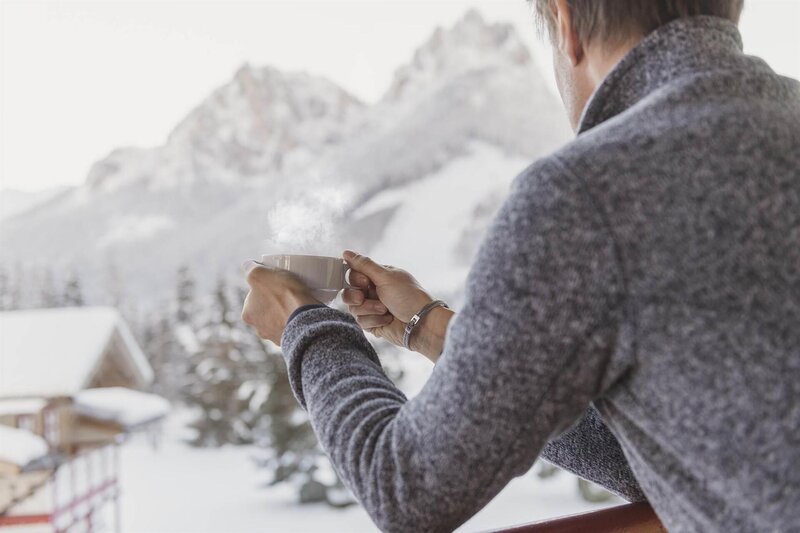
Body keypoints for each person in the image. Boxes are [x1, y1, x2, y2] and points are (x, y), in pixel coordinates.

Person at [241, 0, 800, 530]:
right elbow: (682, 459)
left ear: (567, 23)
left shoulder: (586, 194)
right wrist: (430, 328)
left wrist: (303, 321)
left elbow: (405, 488)